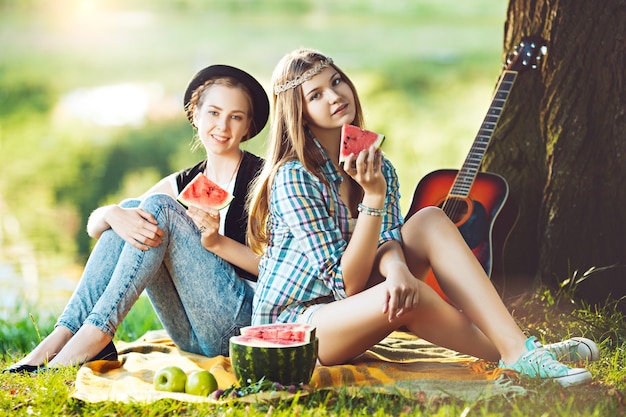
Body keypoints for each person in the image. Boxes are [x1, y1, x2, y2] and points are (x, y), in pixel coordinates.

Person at [246, 48, 599, 387]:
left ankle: (519, 350)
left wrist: (398, 269)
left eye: (336, 82)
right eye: (316, 95)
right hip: (300, 327)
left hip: (351, 304)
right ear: (299, 112)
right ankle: (519, 350)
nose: (334, 96)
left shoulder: (378, 165)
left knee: (430, 219)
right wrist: (373, 196)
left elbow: (388, 239)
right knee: (409, 295)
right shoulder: (294, 176)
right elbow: (346, 284)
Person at [4, 64, 269, 373]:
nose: (222, 125)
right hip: (189, 335)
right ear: (195, 114)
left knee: (155, 207)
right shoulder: (181, 183)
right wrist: (112, 213)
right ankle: (65, 332)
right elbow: (96, 228)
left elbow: (277, 271)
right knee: (131, 209)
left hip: (240, 328)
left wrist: (216, 243)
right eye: (213, 112)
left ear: (248, 126)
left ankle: (95, 334)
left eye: (235, 116)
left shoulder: (264, 180)